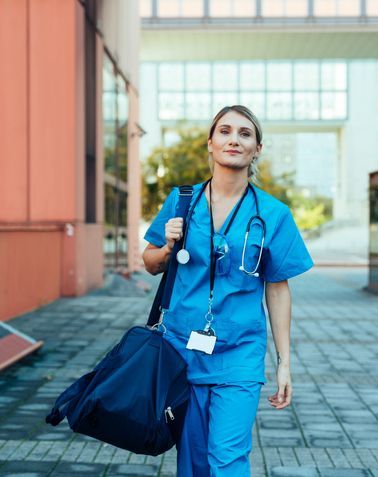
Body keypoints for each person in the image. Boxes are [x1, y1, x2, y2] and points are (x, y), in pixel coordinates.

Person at [142, 105, 313, 477]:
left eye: (245, 133)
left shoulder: (273, 213)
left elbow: (278, 288)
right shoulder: (182, 200)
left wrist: (284, 364)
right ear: (210, 143)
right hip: (180, 350)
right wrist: (168, 247)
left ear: (257, 148)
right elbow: (150, 262)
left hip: (240, 352)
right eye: (225, 131)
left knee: (227, 459)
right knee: (192, 461)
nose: (234, 139)